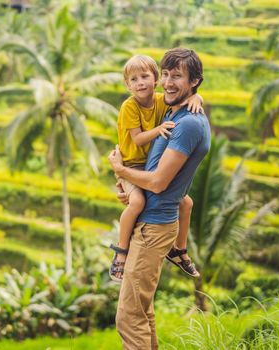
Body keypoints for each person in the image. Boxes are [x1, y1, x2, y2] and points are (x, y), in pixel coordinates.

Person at [108, 47, 211, 350]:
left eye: (176, 76)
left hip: (153, 227)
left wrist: (121, 170)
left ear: (194, 81)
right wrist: (197, 97)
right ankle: (178, 250)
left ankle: (121, 250)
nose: (166, 82)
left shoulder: (187, 122)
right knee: (143, 311)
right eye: (165, 74)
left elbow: (156, 182)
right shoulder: (173, 110)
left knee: (129, 317)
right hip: (153, 221)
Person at [109, 54, 202, 282]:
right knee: (137, 202)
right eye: (133, 79)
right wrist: (159, 128)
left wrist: (198, 98)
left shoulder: (162, 100)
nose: (140, 83)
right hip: (130, 164)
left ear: (156, 79)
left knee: (186, 202)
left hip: (147, 165)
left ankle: (179, 250)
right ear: (127, 85)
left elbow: (187, 96)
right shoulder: (129, 106)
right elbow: (138, 139)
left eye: (145, 76)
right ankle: (121, 251)